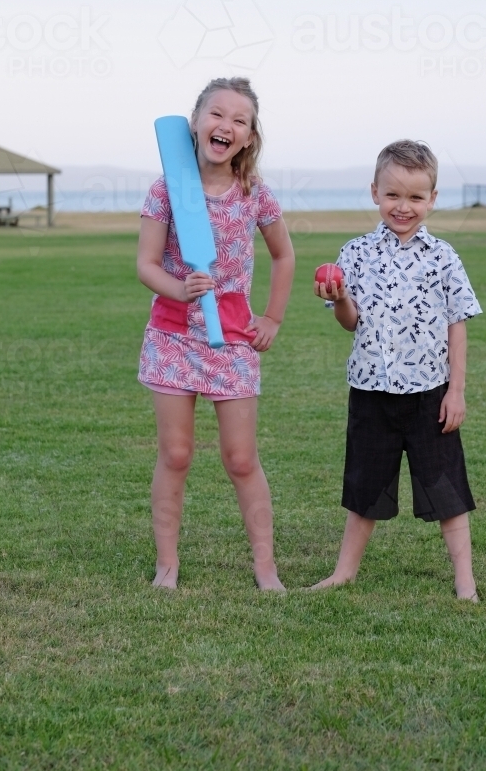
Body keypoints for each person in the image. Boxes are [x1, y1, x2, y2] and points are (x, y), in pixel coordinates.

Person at [137, 77, 295, 591]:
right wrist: (180, 288)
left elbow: (283, 255)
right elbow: (146, 265)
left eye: (239, 120)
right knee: (176, 454)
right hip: (173, 336)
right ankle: (167, 564)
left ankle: (266, 568)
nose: (225, 125)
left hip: (232, 337)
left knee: (242, 458)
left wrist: (271, 317)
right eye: (217, 114)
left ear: (248, 138)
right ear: (196, 123)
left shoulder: (254, 194)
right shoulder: (166, 189)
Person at [312, 140, 482, 601]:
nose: (402, 207)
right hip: (371, 391)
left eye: (414, 197)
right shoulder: (355, 253)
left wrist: (457, 391)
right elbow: (349, 322)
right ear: (374, 192)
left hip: (431, 393)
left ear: (432, 199)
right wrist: (340, 297)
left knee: (448, 489)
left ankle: (464, 579)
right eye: (393, 195)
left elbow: (458, 324)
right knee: (364, 487)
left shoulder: (443, 257)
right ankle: (343, 572)